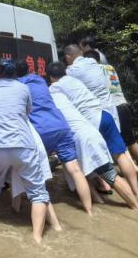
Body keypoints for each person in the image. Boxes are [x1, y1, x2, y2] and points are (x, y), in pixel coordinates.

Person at [48, 61, 138, 209]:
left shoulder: (54, 89)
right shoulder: (75, 80)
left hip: (91, 125)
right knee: (121, 155)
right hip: (105, 115)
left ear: (51, 77)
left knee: (109, 174)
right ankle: (136, 192)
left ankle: (135, 207)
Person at [0, 59, 53, 244]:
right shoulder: (23, 88)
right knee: (38, 193)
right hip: (23, 144)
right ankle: (37, 237)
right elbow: (27, 111)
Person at [15, 61, 93, 215]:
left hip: (41, 131)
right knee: (75, 170)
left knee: (33, 171)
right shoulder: (39, 80)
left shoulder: (17, 86)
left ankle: (18, 210)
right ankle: (89, 211)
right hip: (61, 125)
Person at [82, 48, 138, 179]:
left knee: (117, 141)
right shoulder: (110, 68)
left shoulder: (93, 70)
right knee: (130, 139)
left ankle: (132, 167)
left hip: (112, 108)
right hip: (123, 104)